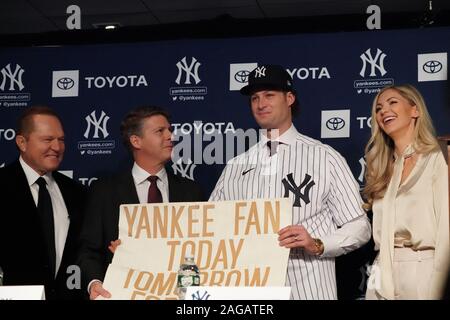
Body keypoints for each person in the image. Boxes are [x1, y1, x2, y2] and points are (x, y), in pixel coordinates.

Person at [209, 64, 371, 300]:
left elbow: (360, 227)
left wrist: (318, 243)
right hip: (251, 295)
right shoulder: (235, 166)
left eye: (269, 95)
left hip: (307, 290)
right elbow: (211, 229)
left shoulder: (324, 157)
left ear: (290, 98)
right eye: (254, 97)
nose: (260, 103)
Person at [77, 106, 204, 300]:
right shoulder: (104, 192)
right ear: (136, 141)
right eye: (160, 131)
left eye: (169, 129)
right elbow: (89, 250)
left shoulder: (191, 191)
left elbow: (204, 249)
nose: (170, 136)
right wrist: (95, 283)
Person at [363, 84, 449, 300]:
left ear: (415, 110)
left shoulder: (439, 156)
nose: (384, 111)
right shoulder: (379, 167)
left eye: (393, 103)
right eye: (379, 108)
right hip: (381, 268)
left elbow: (446, 230)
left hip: (423, 267)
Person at [0, 106, 87, 300]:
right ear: (22, 142)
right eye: (47, 140)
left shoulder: (77, 193)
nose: (57, 147)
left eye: (61, 140)